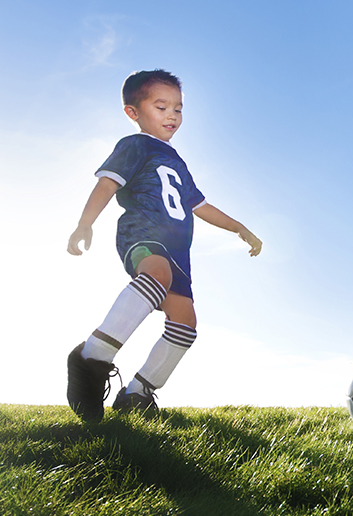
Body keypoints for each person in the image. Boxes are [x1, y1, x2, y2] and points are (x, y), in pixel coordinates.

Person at [66, 69, 262, 421]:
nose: (172, 115)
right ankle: (90, 359)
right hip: (143, 231)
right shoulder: (135, 145)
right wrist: (85, 223)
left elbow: (200, 206)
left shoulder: (177, 162)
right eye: (161, 106)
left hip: (178, 249)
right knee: (155, 274)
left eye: (178, 108)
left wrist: (239, 228)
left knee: (185, 321)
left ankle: (138, 393)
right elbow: (108, 185)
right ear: (133, 112)